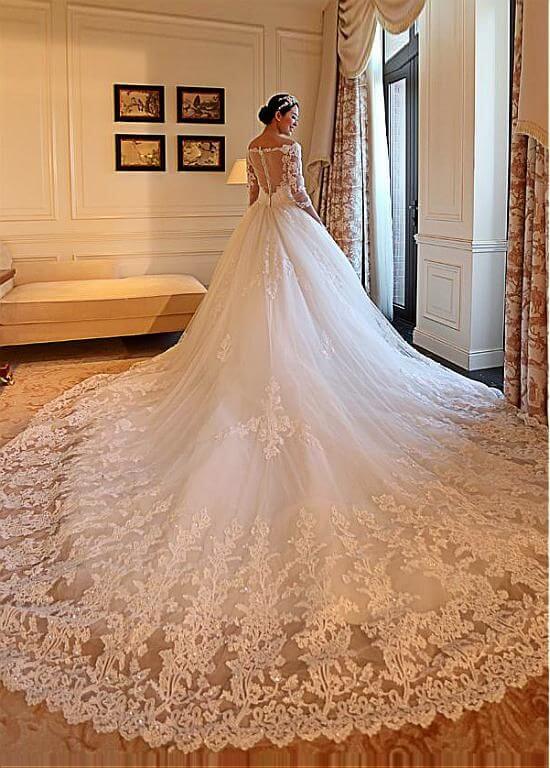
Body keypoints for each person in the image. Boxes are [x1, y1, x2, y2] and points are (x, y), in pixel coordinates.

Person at [0, 93, 546, 754]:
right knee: (308, 320)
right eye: (288, 114)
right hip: (288, 234)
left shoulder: (251, 149)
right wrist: (323, 238)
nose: (290, 122)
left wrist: (270, 228)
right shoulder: (284, 148)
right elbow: (298, 200)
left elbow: (254, 200)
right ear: (280, 117)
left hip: (255, 238)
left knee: (261, 325)